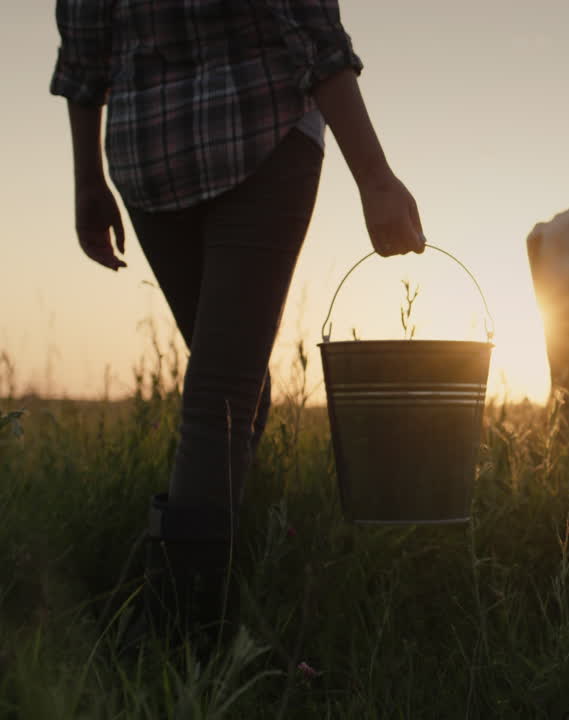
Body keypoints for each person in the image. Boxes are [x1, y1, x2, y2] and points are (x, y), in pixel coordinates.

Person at [51, 0, 424, 647]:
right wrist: (376, 177)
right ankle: (176, 634)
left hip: (153, 154)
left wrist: (88, 181)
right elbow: (314, 30)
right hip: (256, 134)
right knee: (226, 395)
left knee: (227, 386)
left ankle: (216, 579)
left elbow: (85, 51)